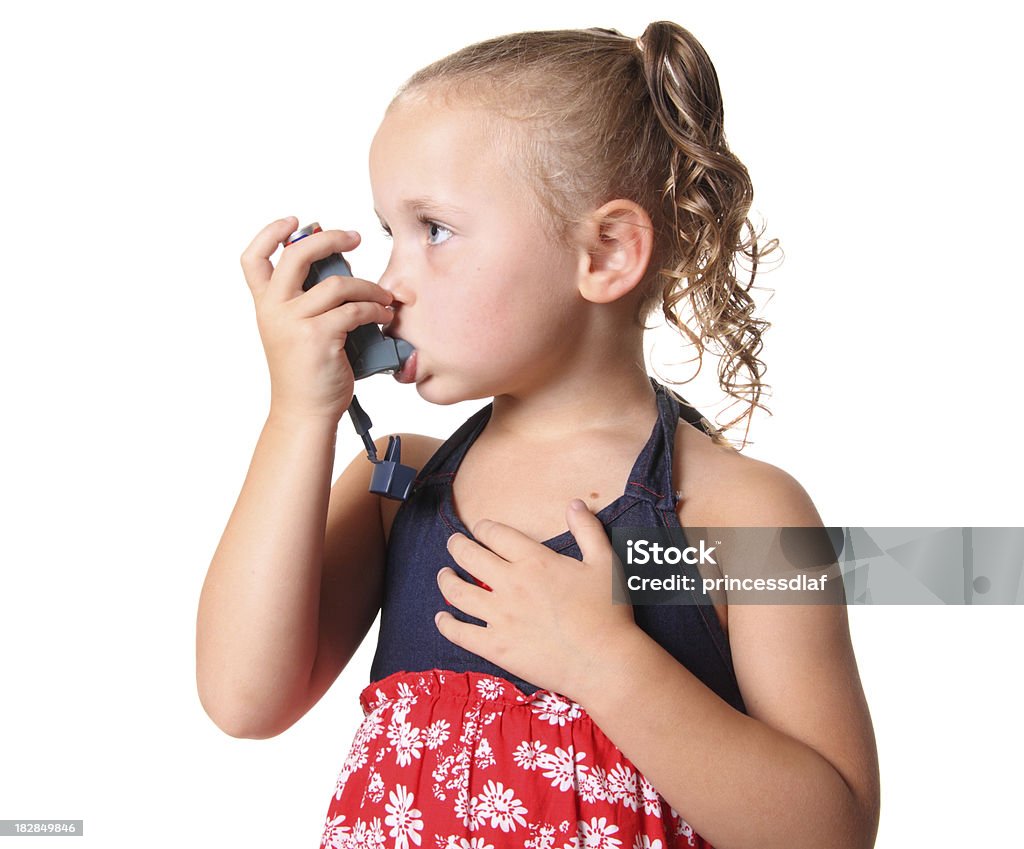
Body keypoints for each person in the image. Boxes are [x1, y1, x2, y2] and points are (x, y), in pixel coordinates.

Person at [196, 21, 880, 849]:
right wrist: (298, 414)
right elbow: (243, 699)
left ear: (607, 252)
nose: (391, 279)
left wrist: (603, 661)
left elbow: (830, 833)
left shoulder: (739, 517)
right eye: (388, 233)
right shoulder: (400, 486)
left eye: (434, 230)